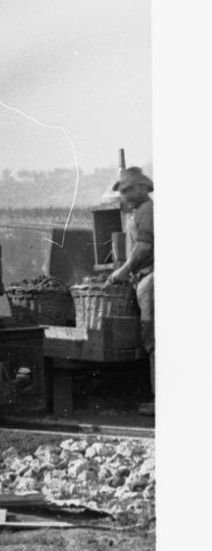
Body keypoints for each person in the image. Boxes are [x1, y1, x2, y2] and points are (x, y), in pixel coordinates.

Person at [106, 166, 153, 394]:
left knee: (153, 337)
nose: (124, 197)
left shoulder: (146, 210)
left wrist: (124, 270)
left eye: (128, 191)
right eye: (123, 192)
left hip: (151, 279)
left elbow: (144, 246)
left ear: (142, 188)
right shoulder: (137, 213)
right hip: (142, 280)